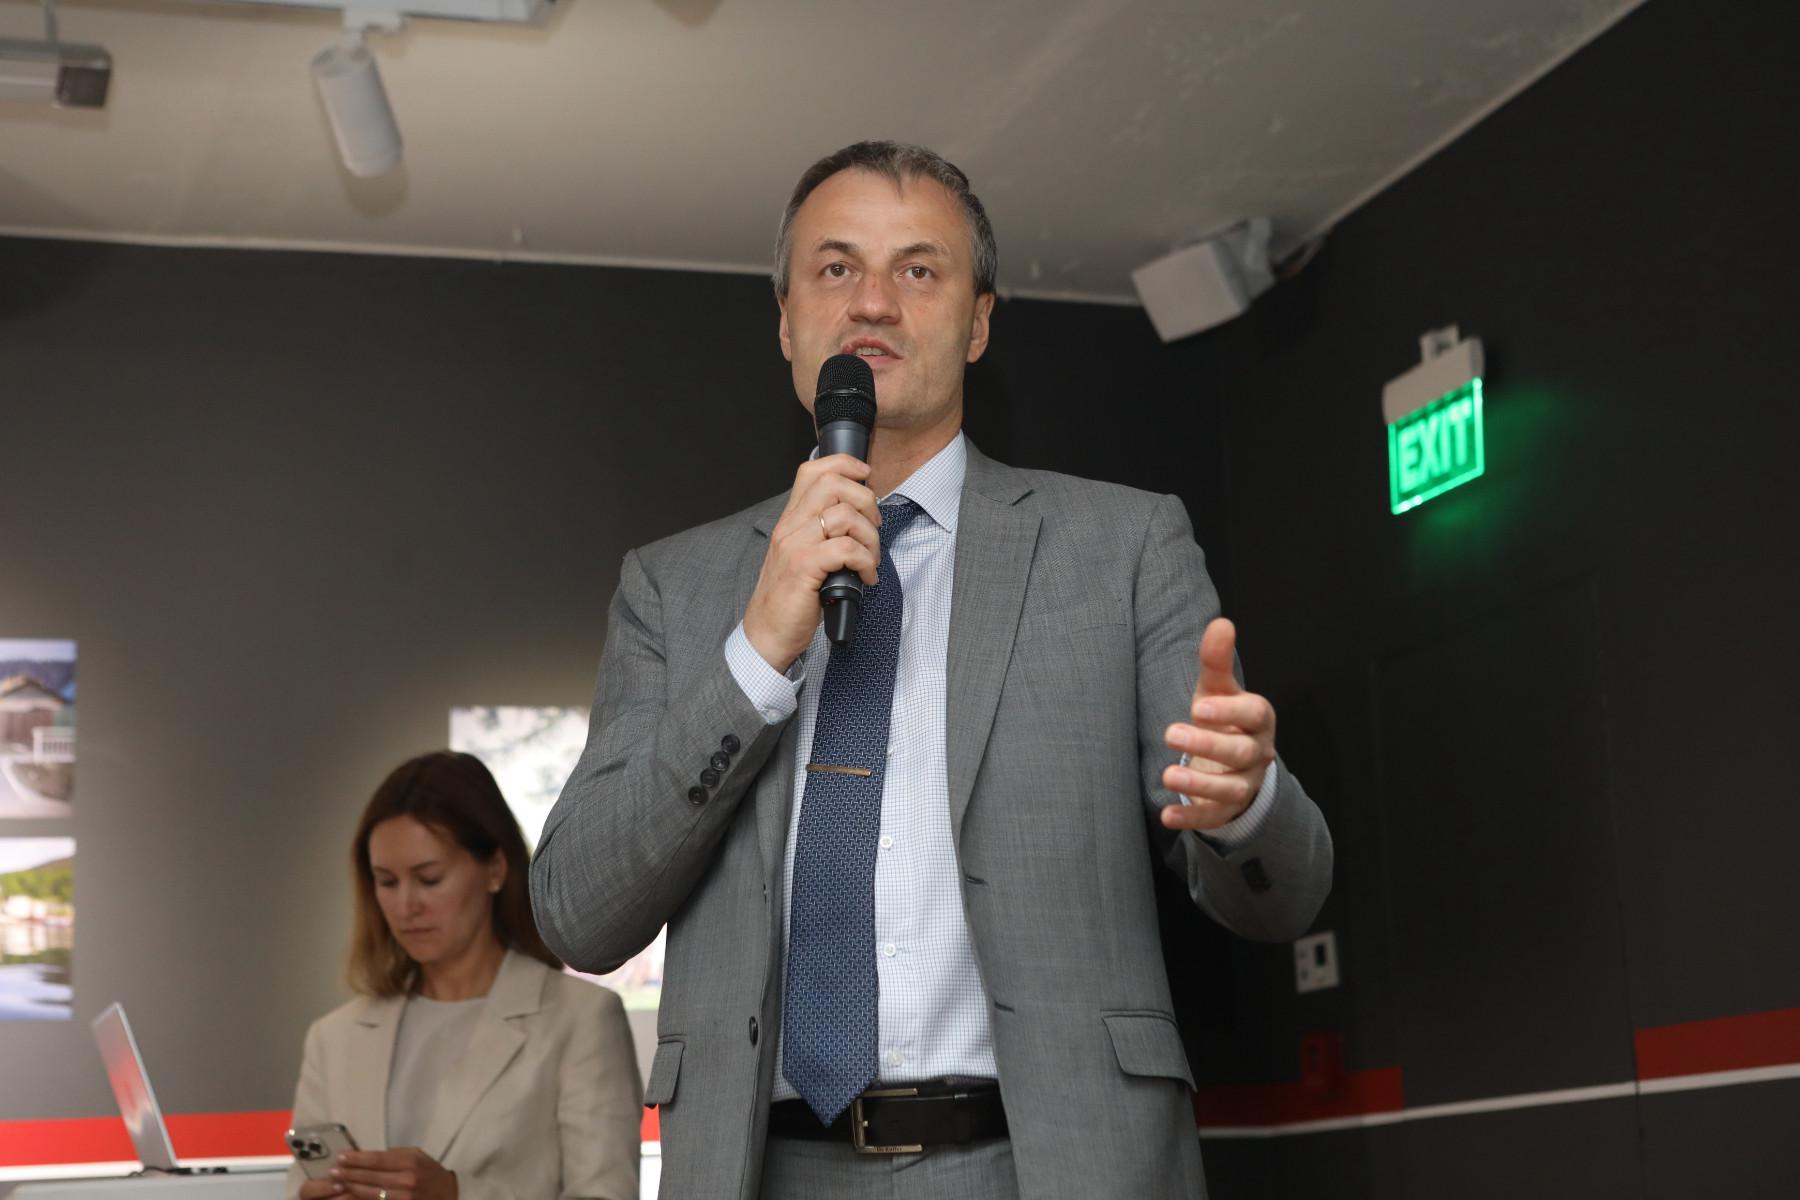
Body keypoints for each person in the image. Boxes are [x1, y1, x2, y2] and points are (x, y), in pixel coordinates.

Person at [529, 141, 1332, 1199]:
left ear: (979, 321)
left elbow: (1286, 897)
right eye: (835, 268)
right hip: (763, 1172)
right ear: (785, 321)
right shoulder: (672, 589)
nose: (873, 301)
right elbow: (578, 914)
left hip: (1047, 1167)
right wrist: (755, 654)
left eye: (918, 268)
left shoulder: (1122, 548)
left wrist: (1243, 804)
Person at [287, 752, 641, 1200]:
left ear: (495, 869)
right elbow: (300, 1188)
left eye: (429, 879)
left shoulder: (581, 1019)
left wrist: (456, 1195)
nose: (406, 906)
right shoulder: (333, 1038)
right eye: (387, 882)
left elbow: (606, 1194)